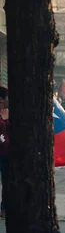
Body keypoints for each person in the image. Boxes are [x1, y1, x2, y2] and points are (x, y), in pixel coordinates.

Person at [0, 86, 9, 219]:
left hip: (6, 154)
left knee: (7, 182)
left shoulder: (9, 113)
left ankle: (4, 209)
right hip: (3, 152)